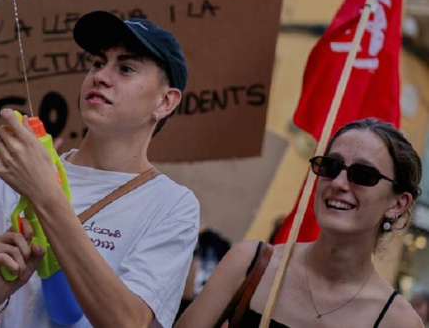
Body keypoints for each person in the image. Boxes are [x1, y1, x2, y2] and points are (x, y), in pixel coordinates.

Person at [0, 11, 200, 327]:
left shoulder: (173, 205)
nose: (100, 76)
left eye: (126, 68)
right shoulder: (17, 177)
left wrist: (45, 195)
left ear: (165, 102)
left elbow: (128, 323)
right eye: (98, 63)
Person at [176, 118, 423, 327]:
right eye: (331, 166)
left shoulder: (398, 321)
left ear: (398, 204)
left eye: (363, 174)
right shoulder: (250, 264)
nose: (338, 183)